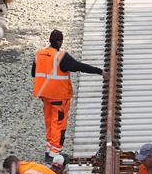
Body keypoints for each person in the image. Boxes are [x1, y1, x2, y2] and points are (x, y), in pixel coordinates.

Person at [32, 29, 106, 161]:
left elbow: (34, 73)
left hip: (45, 96)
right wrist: (100, 71)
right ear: (59, 42)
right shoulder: (61, 57)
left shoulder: (39, 54)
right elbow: (79, 66)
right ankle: (54, 154)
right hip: (59, 97)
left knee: (49, 122)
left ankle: (48, 149)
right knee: (59, 125)